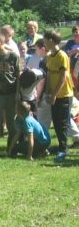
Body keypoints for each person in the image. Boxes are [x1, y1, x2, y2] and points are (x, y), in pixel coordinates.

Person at [44, 30, 74, 162]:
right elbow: (50, 74)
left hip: (64, 95)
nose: (44, 42)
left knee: (63, 123)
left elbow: (63, 77)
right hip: (54, 95)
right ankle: (61, 146)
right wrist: (48, 91)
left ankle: (63, 149)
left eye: (45, 39)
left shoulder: (62, 55)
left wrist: (54, 95)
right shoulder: (49, 56)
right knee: (56, 122)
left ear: (51, 40)